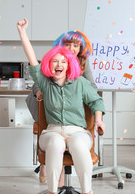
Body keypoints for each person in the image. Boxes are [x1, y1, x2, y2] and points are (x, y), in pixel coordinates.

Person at [17, 19, 105, 194]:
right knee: (56, 143)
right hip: (52, 132)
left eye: (63, 62)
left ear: (69, 65)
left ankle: (86, 193)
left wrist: (98, 119)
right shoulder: (46, 83)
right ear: (49, 64)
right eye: (55, 61)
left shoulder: (81, 83)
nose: (59, 64)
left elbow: (96, 101)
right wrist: (22, 32)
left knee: (78, 143)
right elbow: (32, 58)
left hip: (78, 131)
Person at [27, 30, 96, 184]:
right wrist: (39, 91)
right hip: (48, 103)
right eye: (68, 44)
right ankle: (47, 165)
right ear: (61, 45)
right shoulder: (56, 58)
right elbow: (39, 78)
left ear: (81, 48)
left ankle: (62, 171)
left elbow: (92, 86)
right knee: (54, 135)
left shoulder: (84, 62)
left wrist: (79, 91)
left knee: (70, 135)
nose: (71, 48)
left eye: (75, 45)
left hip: (71, 108)